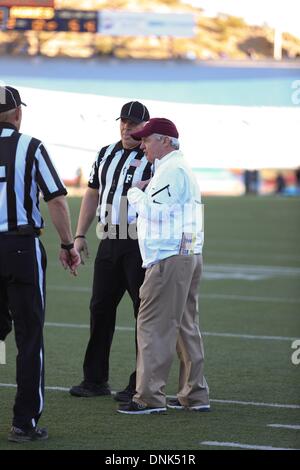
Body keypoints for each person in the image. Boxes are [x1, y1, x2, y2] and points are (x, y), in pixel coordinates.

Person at [0, 85, 81, 442]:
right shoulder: (29, 146)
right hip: (20, 248)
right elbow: (57, 201)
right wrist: (67, 243)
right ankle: (23, 422)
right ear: (18, 114)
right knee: (29, 337)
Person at [118, 118, 210, 414]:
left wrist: (134, 191)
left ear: (165, 141)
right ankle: (194, 395)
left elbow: (155, 212)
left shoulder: (171, 169)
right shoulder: (175, 168)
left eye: (146, 139)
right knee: (185, 326)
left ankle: (149, 397)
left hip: (169, 258)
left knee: (153, 327)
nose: (141, 144)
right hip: (186, 253)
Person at [69, 101, 152, 402]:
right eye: (124, 122)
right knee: (100, 309)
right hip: (109, 239)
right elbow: (92, 192)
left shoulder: (153, 157)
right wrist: (79, 234)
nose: (127, 128)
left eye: (134, 123)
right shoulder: (105, 153)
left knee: (143, 313)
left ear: (146, 126)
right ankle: (94, 380)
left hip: (139, 243)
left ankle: (140, 383)